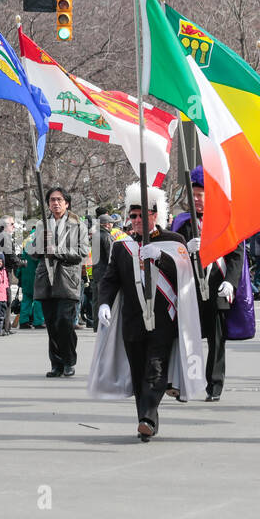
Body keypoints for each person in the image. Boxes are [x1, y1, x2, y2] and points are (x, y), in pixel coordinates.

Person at [89, 183, 205, 441]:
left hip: (164, 319)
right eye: (133, 215)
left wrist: (163, 258)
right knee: (140, 371)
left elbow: (186, 279)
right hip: (133, 320)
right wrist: (104, 303)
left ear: (155, 214)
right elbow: (110, 280)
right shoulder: (122, 245)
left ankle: (147, 418)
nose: (138, 220)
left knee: (156, 369)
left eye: (144, 214)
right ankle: (147, 418)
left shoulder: (174, 241)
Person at [170, 165, 253, 401]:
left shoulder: (225, 221)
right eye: (193, 194)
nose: (196, 199)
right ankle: (187, 383)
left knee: (217, 341)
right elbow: (172, 256)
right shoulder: (182, 223)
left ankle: (214, 385)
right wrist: (185, 249)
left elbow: (236, 256)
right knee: (189, 339)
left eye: (200, 194)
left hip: (217, 287)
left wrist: (231, 283)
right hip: (191, 288)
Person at [33, 186, 86, 378]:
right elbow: (32, 252)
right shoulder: (41, 224)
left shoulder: (77, 224)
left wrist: (57, 250)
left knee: (64, 322)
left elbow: (82, 252)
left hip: (67, 280)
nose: (55, 203)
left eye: (59, 200)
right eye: (52, 200)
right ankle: (56, 363)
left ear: (67, 203)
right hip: (46, 280)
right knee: (52, 324)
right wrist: (40, 243)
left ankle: (69, 360)